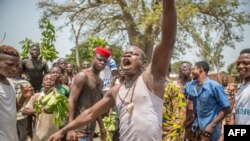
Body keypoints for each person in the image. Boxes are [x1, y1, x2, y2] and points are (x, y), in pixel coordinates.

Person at [48, 0, 176, 140]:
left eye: (133, 54)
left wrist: (168, 2)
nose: (127, 54)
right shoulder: (116, 91)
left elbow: (167, 41)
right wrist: (64, 130)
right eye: (125, 54)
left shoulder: (151, 79)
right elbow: (90, 113)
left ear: (144, 64)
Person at [65, 47, 111, 141]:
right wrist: (70, 128)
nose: (102, 62)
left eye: (104, 61)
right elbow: (71, 100)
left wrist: (102, 127)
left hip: (91, 129)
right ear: (93, 58)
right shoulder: (82, 75)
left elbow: (96, 107)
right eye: (99, 59)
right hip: (78, 128)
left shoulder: (100, 81)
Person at [184, 61, 230, 141]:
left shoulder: (214, 86)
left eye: (193, 69)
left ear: (200, 70)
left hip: (210, 131)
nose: (192, 71)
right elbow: (180, 91)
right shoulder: (190, 85)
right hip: (195, 129)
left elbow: (226, 107)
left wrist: (212, 125)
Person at [22, 74, 59, 141]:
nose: (48, 81)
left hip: (54, 135)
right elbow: (24, 112)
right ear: (42, 83)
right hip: (38, 135)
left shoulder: (59, 98)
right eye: (46, 79)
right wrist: (38, 109)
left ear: (54, 83)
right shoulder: (36, 96)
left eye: (51, 80)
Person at [0, 45, 20, 140]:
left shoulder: (10, 83)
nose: (14, 69)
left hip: (11, 135)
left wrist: (24, 97)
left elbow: (14, 109)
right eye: (9, 64)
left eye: (16, 65)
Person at [9, 65, 34, 141]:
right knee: (22, 135)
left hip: (13, 113)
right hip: (21, 113)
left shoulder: (6, 82)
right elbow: (30, 98)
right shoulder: (26, 83)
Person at [232, 48, 250, 125]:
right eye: (238, 63)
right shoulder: (241, 88)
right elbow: (234, 116)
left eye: (246, 63)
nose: (240, 66)